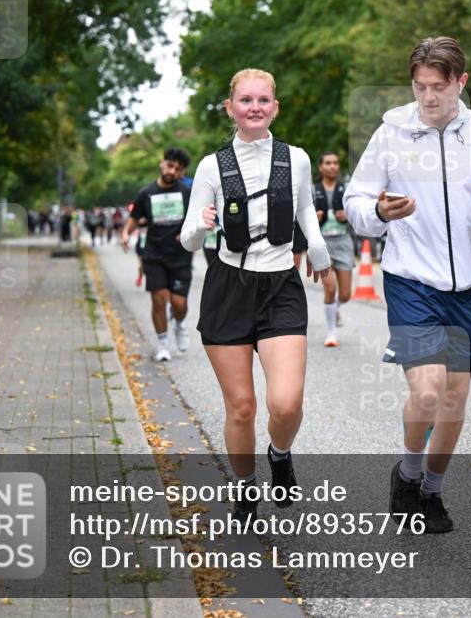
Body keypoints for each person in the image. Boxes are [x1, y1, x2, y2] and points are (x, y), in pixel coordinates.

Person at [344, 36, 471, 534]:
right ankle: (407, 473)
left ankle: (433, 492)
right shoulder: (392, 132)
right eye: (420, 86)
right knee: (427, 393)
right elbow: (355, 198)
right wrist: (378, 211)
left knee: (454, 401)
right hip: (411, 279)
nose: (428, 97)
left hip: (467, 282)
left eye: (438, 87)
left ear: (460, 82)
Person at [180, 69, 331, 522]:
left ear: (275, 107)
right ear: (231, 108)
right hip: (229, 286)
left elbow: (305, 207)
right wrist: (202, 223)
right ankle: (245, 486)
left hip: (282, 284)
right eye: (245, 100)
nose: (255, 107)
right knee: (241, 406)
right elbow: (188, 240)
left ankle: (280, 454)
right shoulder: (212, 166)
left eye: (263, 100)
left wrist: (318, 249)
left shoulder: (297, 159)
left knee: (286, 402)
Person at [121, 148, 193, 362]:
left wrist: (190, 233)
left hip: (180, 256)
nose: (172, 171)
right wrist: (125, 233)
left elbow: (195, 218)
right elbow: (135, 218)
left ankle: (179, 324)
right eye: (170, 165)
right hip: (154, 255)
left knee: (179, 304)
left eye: (178, 169)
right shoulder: (146, 193)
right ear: (162, 163)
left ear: (182, 173)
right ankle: (162, 344)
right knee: (159, 298)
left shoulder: (186, 193)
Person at [313, 151, 354, 347]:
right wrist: (314, 218)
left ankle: (334, 308)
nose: (332, 166)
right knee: (330, 288)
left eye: (335, 163)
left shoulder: (347, 189)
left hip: (343, 242)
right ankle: (331, 333)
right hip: (323, 244)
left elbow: (358, 216)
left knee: (345, 294)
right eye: (328, 163)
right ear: (321, 167)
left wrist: (347, 216)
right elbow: (300, 216)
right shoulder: (312, 190)